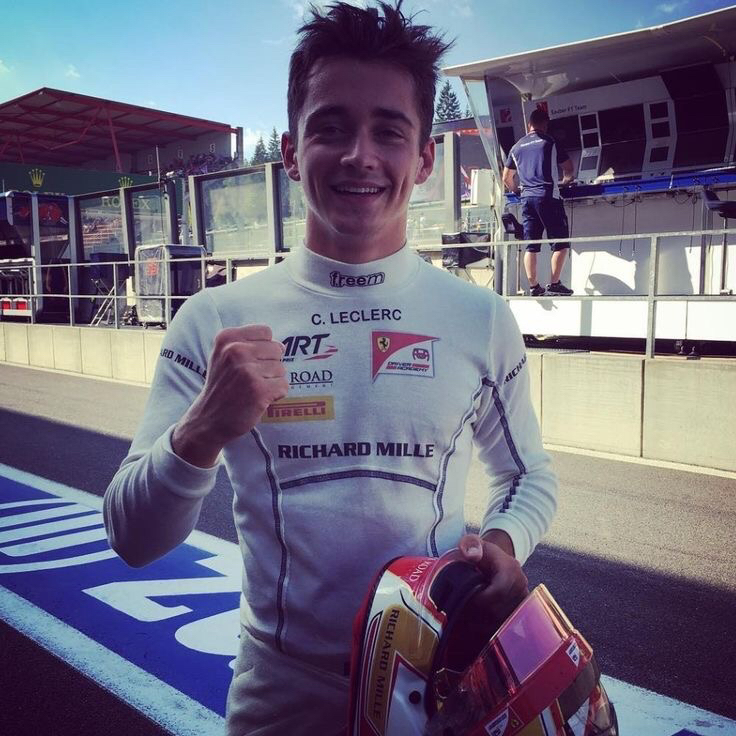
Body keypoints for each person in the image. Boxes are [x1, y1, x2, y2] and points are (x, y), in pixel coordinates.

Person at [103, 2, 557, 734]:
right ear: (291, 152)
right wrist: (201, 431)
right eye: (331, 128)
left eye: (389, 131)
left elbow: (528, 475)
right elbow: (132, 537)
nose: (359, 156)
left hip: (438, 690)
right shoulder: (215, 319)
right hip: (280, 697)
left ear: (424, 158)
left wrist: (502, 545)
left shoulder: (479, 317)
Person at [502, 107, 575, 296]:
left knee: (531, 245)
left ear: (529, 125)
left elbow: (507, 178)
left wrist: (517, 191)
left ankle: (534, 287)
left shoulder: (516, 147)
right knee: (561, 243)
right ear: (545, 124)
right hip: (548, 196)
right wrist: (565, 182)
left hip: (527, 199)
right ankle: (554, 284)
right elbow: (568, 168)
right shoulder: (550, 141)